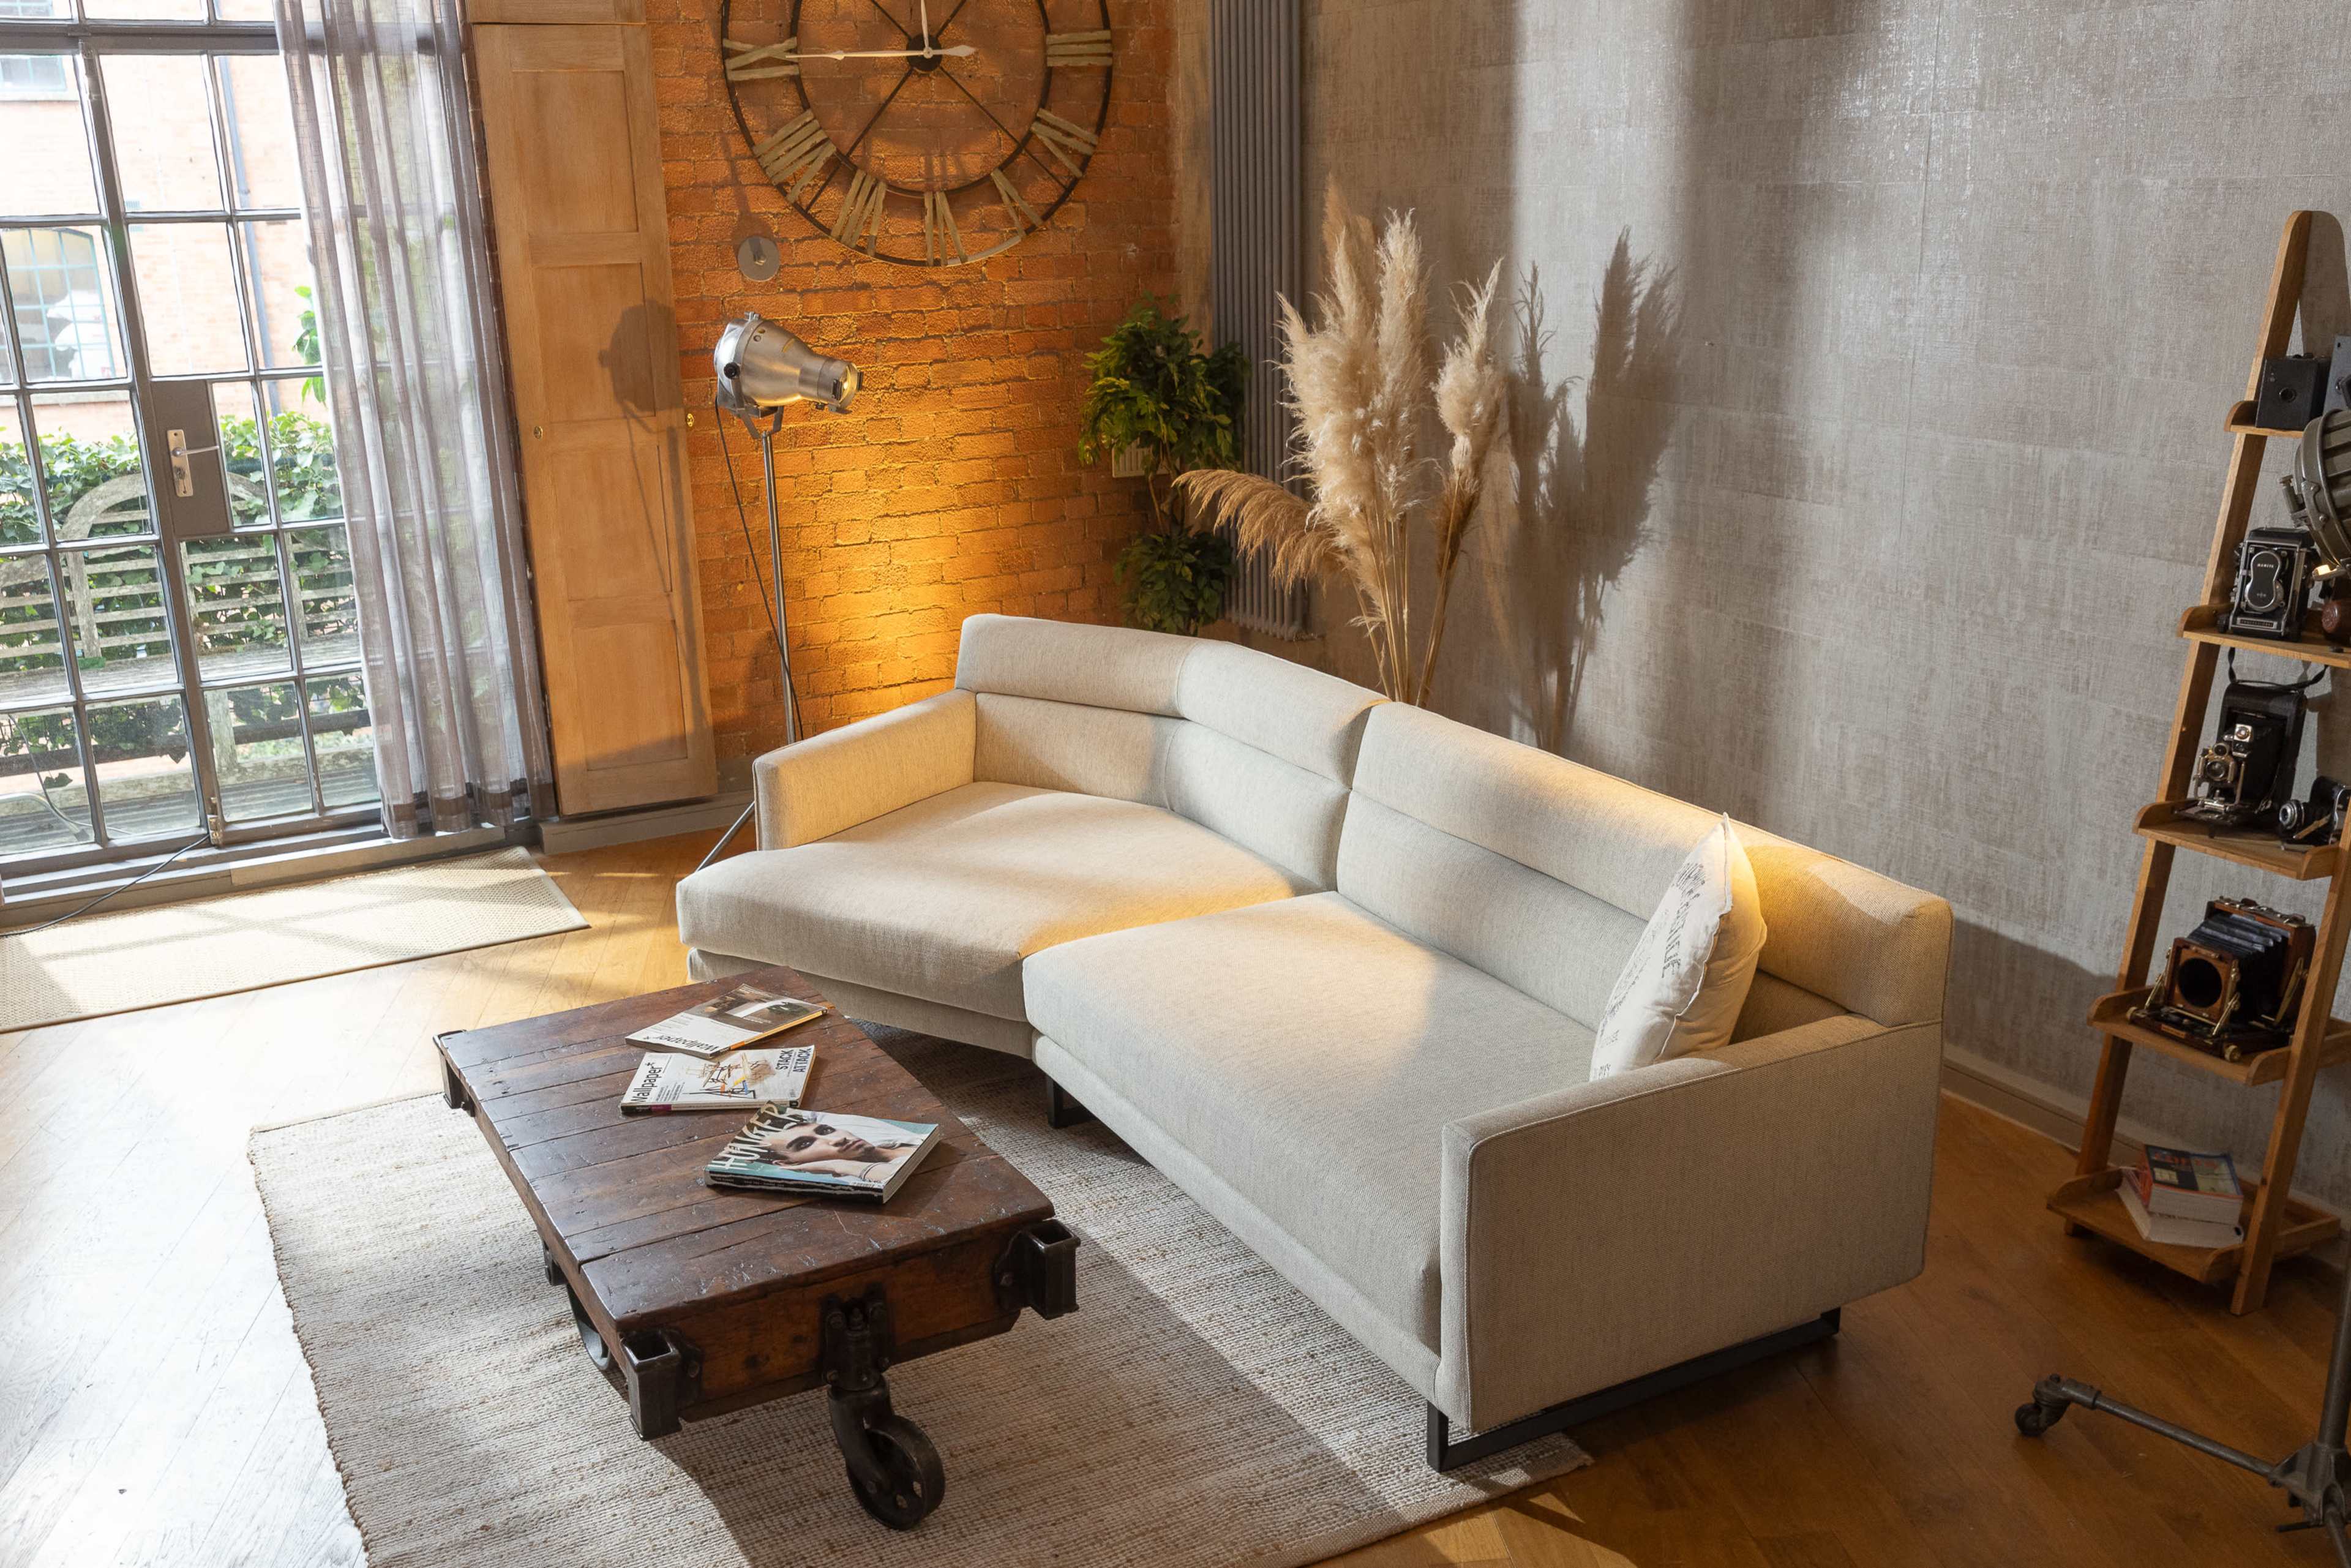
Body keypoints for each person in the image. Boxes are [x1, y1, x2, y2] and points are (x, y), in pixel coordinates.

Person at [756, 1111, 915, 1181]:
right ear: (787, 1163)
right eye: (805, 1144)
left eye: (826, 1130)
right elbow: (893, 1174)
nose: (837, 1140)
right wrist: (834, 1164)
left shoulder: (891, 1137)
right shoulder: (858, 1179)